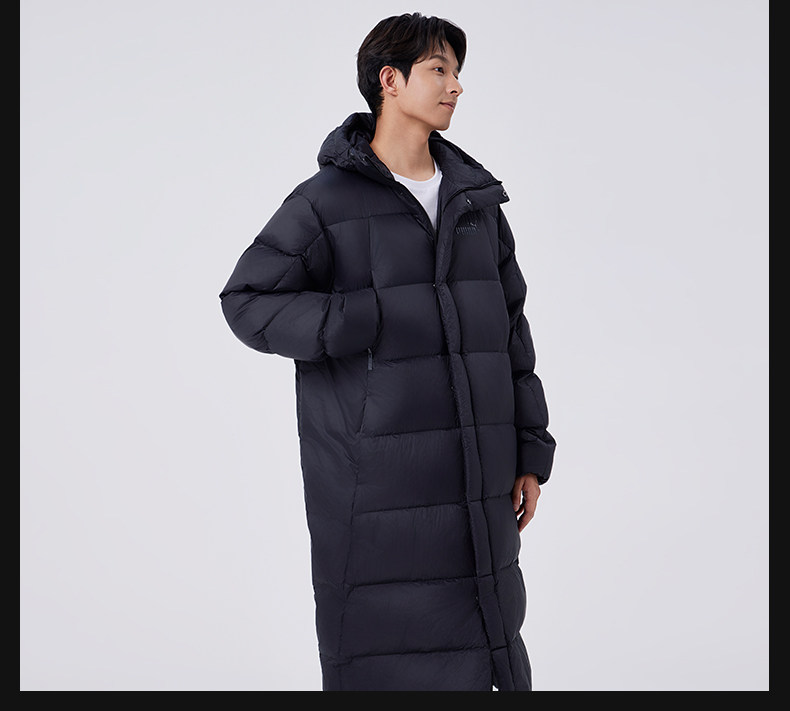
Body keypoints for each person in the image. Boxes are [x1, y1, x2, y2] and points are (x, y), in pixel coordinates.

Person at [219, 12, 556, 692]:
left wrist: (530, 448)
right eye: (439, 69)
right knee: (385, 652)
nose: (456, 86)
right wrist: (356, 317)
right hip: (377, 482)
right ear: (390, 80)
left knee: (488, 637)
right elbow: (247, 300)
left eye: (457, 72)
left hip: (479, 474)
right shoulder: (325, 203)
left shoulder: (475, 203)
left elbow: (512, 331)